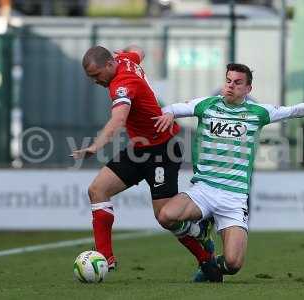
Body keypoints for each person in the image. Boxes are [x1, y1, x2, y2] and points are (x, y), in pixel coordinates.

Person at [153, 63, 304, 282]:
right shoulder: (206, 105)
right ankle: (199, 234)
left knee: (233, 264)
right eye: (228, 81)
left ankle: (211, 266)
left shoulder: (258, 113)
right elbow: (173, 109)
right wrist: (168, 114)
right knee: (166, 216)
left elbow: (293, 111)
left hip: (234, 197)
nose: (231, 86)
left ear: (248, 89)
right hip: (204, 188)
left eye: (238, 82)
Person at [71, 45, 216, 278]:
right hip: (139, 149)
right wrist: (123, 52)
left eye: (97, 76)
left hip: (163, 151)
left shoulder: (122, 84)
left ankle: (203, 246)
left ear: (109, 65)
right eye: (91, 77)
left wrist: (95, 146)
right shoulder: (125, 60)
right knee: (97, 190)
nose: (95, 81)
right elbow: (139, 49)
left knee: (166, 218)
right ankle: (106, 259)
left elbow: (118, 119)